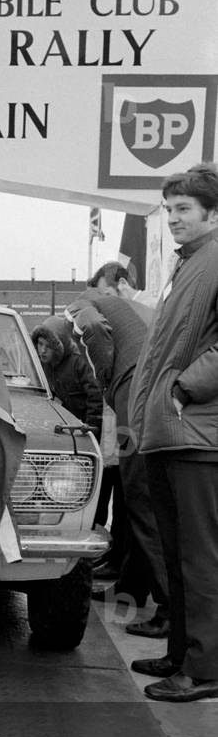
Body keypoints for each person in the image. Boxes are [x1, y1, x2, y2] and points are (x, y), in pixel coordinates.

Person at [128, 162, 218, 702]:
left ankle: (206, 670)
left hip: (196, 435)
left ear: (212, 212)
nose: (174, 219)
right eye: (169, 210)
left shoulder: (213, 262)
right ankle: (184, 651)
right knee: (179, 553)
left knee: (201, 558)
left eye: (183, 209)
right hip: (170, 432)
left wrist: (182, 391)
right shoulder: (188, 266)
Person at [65, 285, 170, 639]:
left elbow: (92, 327)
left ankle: (170, 609)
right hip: (161, 386)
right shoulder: (134, 309)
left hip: (134, 388)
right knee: (140, 497)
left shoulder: (82, 305)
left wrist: (106, 379)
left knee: (140, 499)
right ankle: (133, 587)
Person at [30, 315, 103, 440]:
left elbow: (95, 395)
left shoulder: (79, 362)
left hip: (82, 427)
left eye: (48, 346)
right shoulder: (41, 363)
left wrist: (91, 427)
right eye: (40, 344)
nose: (42, 350)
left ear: (58, 347)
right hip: (58, 423)